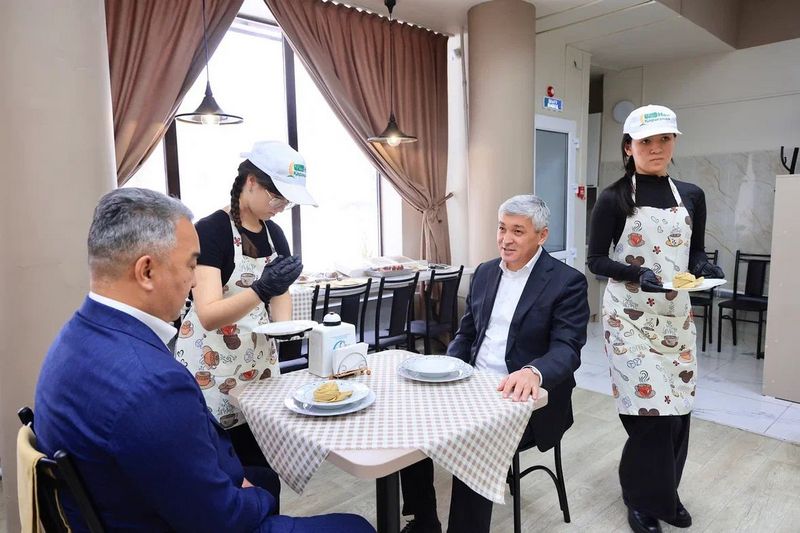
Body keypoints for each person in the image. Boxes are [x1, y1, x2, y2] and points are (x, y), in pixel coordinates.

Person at [34, 188, 373, 533]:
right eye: (191, 264)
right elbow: (222, 520)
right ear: (146, 271)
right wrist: (255, 497)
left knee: (263, 477)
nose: (196, 279)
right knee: (355, 526)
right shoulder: (152, 384)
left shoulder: (73, 338)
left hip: (127, 500)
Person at [399, 195, 590, 533]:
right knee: (410, 416)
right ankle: (424, 521)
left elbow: (567, 348)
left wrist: (534, 371)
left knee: (475, 442)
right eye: (502, 228)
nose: (506, 239)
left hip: (521, 398)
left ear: (542, 235)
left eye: (518, 231)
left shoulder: (566, 282)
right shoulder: (486, 272)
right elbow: (467, 333)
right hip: (471, 385)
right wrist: (447, 367)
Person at [587, 104, 724, 533]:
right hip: (627, 318)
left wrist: (705, 267)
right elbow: (595, 260)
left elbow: (693, 252)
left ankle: (665, 494)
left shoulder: (692, 195)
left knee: (678, 412)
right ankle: (642, 501)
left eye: (665, 139)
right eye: (646, 141)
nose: (657, 147)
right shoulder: (613, 198)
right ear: (629, 147)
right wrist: (635, 274)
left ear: (674, 142)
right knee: (649, 416)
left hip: (675, 318)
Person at [174, 141, 314, 471]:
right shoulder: (211, 231)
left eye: (287, 201)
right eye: (277, 197)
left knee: (262, 467)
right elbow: (209, 314)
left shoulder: (274, 233)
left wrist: (284, 328)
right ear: (251, 182)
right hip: (212, 367)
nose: (281, 207)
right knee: (223, 470)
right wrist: (261, 289)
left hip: (258, 365)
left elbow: (280, 294)